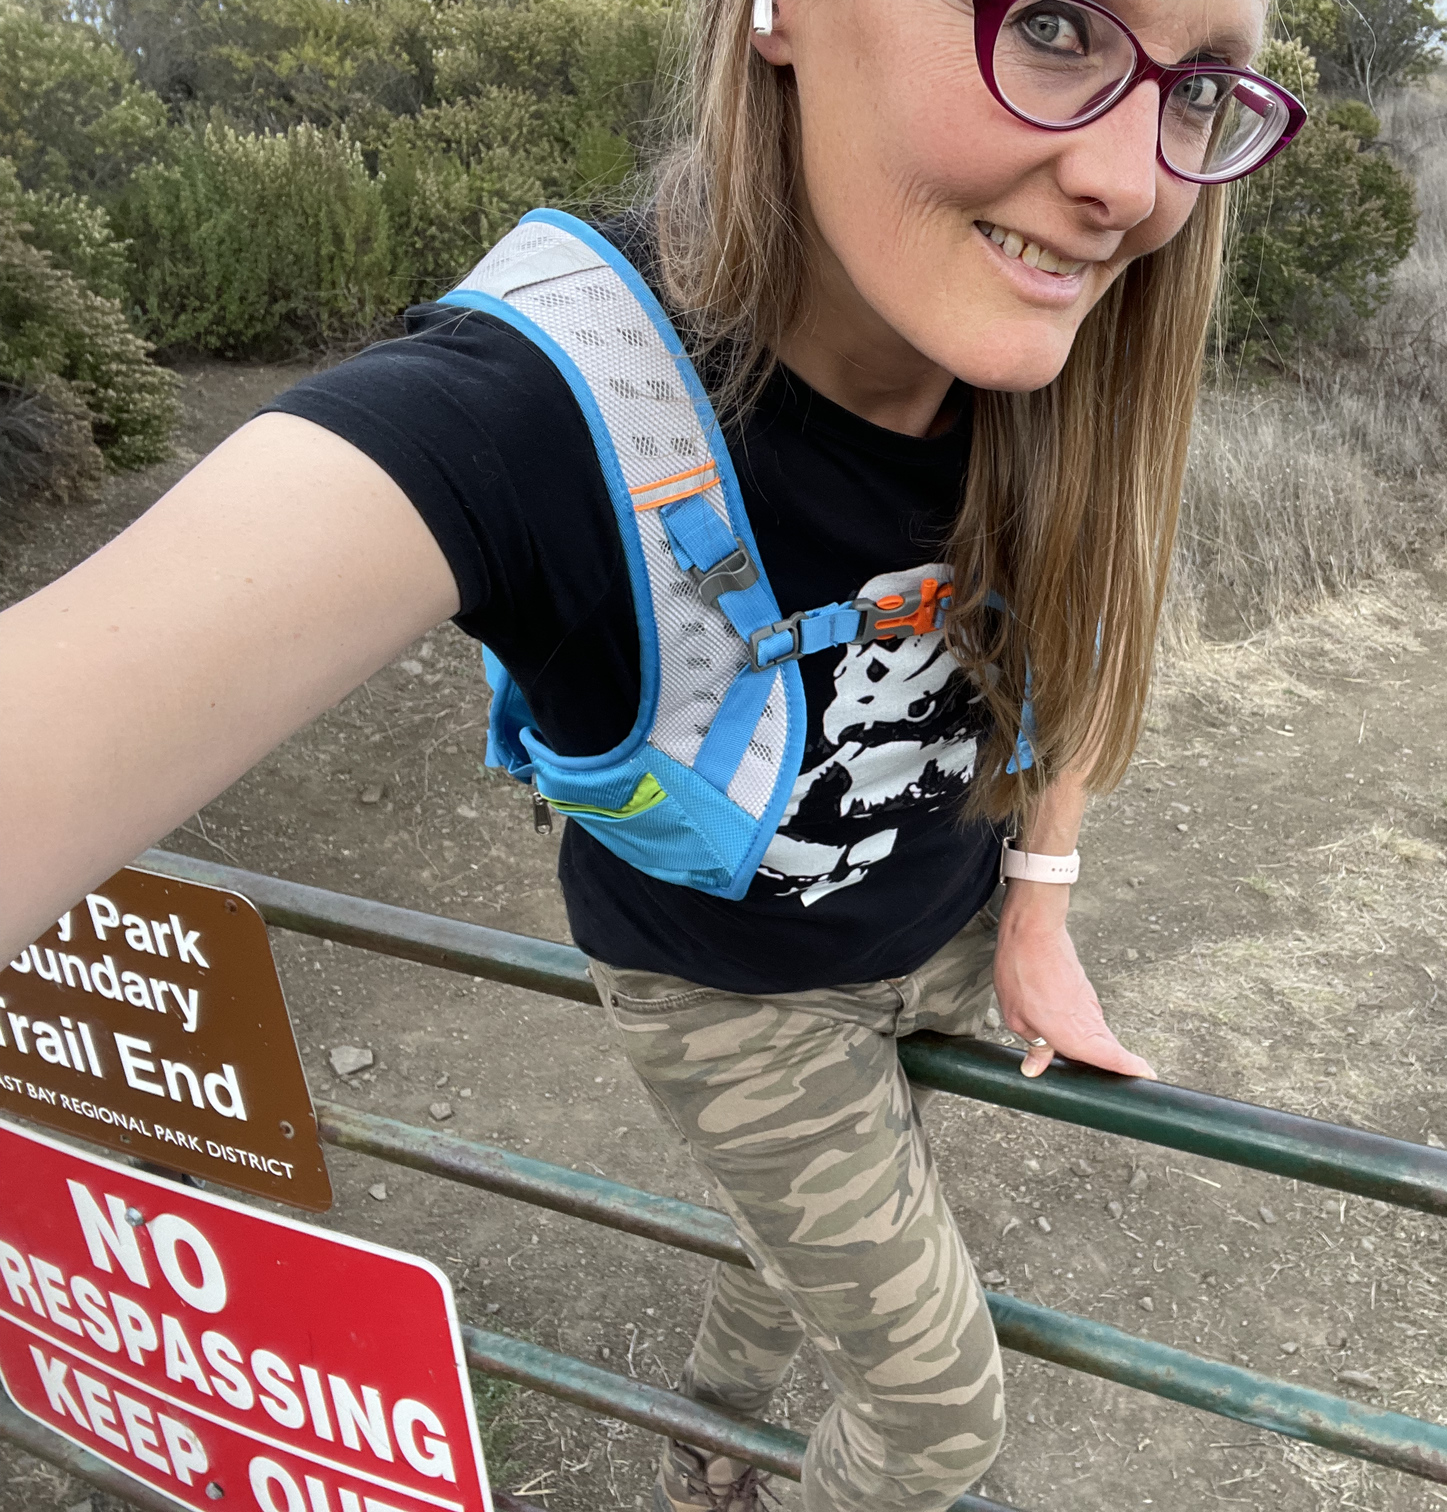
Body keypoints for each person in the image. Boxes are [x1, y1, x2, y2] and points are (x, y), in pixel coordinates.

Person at [0, 1, 1303, 1507]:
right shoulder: (540, 406)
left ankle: (708, 1433)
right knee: (937, 1409)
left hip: (932, 939)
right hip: (731, 993)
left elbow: (1070, 638)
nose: (1136, 186)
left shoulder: (1049, 361)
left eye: (1203, 90)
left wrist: (1039, 909)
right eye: (1058, 23)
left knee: (789, 1245)